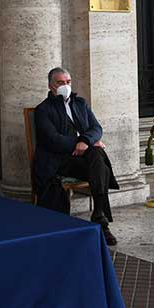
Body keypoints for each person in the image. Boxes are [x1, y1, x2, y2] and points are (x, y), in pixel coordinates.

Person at [33, 68, 120, 246]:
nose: (65, 86)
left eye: (68, 82)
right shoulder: (43, 109)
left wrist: (86, 142)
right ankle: (101, 221)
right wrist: (79, 143)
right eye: (60, 83)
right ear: (51, 86)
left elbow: (97, 128)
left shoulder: (80, 104)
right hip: (58, 160)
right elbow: (52, 139)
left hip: (83, 158)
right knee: (99, 160)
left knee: (97, 157)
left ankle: (99, 215)